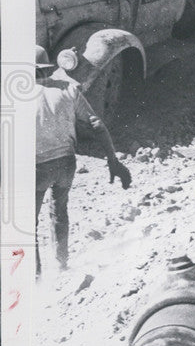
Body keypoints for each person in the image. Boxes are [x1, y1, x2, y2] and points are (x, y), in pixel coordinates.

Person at [35, 46, 131, 278]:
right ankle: (62, 264)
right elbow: (95, 123)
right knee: (60, 211)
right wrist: (112, 160)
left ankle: (34, 277)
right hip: (66, 163)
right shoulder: (68, 89)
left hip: (36, 167)